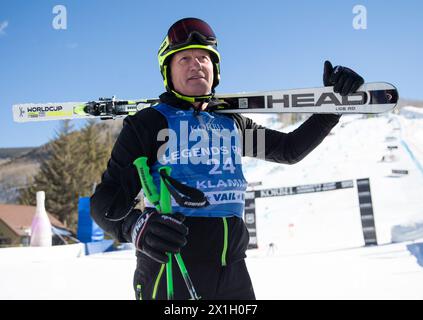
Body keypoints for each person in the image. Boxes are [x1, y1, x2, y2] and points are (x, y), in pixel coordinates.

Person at [90, 17, 364, 300]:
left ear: (215, 69)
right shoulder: (149, 124)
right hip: (172, 269)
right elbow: (104, 201)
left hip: (233, 271)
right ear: (168, 72)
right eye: (183, 58)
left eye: (203, 58)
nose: (196, 64)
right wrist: (135, 227)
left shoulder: (232, 125)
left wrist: (333, 107)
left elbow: (289, 149)